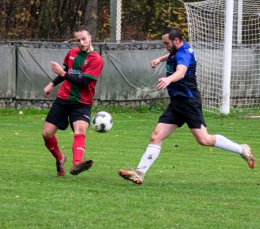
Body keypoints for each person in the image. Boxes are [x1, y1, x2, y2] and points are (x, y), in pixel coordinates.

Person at [118, 27, 256, 185]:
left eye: (166, 43)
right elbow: (171, 55)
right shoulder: (178, 49)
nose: (165, 46)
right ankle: (139, 173)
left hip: (188, 101)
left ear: (176, 40)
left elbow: (181, 71)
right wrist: (159, 59)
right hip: (176, 102)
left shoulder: (183, 54)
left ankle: (242, 149)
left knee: (204, 139)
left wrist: (169, 80)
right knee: (156, 136)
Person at [42, 25, 104, 177]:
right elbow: (66, 71)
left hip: (82, 102)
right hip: (63, 98)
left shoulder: (96, 59)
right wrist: (51, 83)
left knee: (80, 130)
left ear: (90, 37)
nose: (82, 42)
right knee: (47, 134)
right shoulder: (72, 53)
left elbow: (83, 83)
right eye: (78, 40)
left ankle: (77, 163)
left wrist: (62, 73)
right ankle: (60, 157)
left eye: (84, 38)